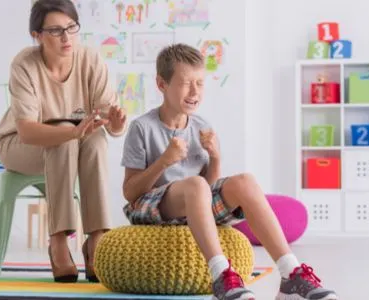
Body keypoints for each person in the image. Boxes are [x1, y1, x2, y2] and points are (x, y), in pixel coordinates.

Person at [120, 43, 338, 300]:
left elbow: (207, 191)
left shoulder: (201, 126)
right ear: (161, 84)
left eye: (200, 83)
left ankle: (291, 273)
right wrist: (164, 161)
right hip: (150, 205)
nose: (194, 92)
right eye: (186, 83)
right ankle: (221, 276)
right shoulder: (142, 127)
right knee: (195, 185)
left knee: (245, 181)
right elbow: (130, 192)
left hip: (191, 201)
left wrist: (215, 158)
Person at [0, 0, 127, 283]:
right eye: (55, 31)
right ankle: (58, 240)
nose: (66, 37)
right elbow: (28, 131)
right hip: (19, 145)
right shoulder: (25, 64)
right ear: (37, 35)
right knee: (66, 138)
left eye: (71, 28)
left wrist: (115, 123)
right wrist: (72, 132)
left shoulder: (90, 60)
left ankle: (97, 238)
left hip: (71, 143)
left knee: (96, 141)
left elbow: (106, 118)